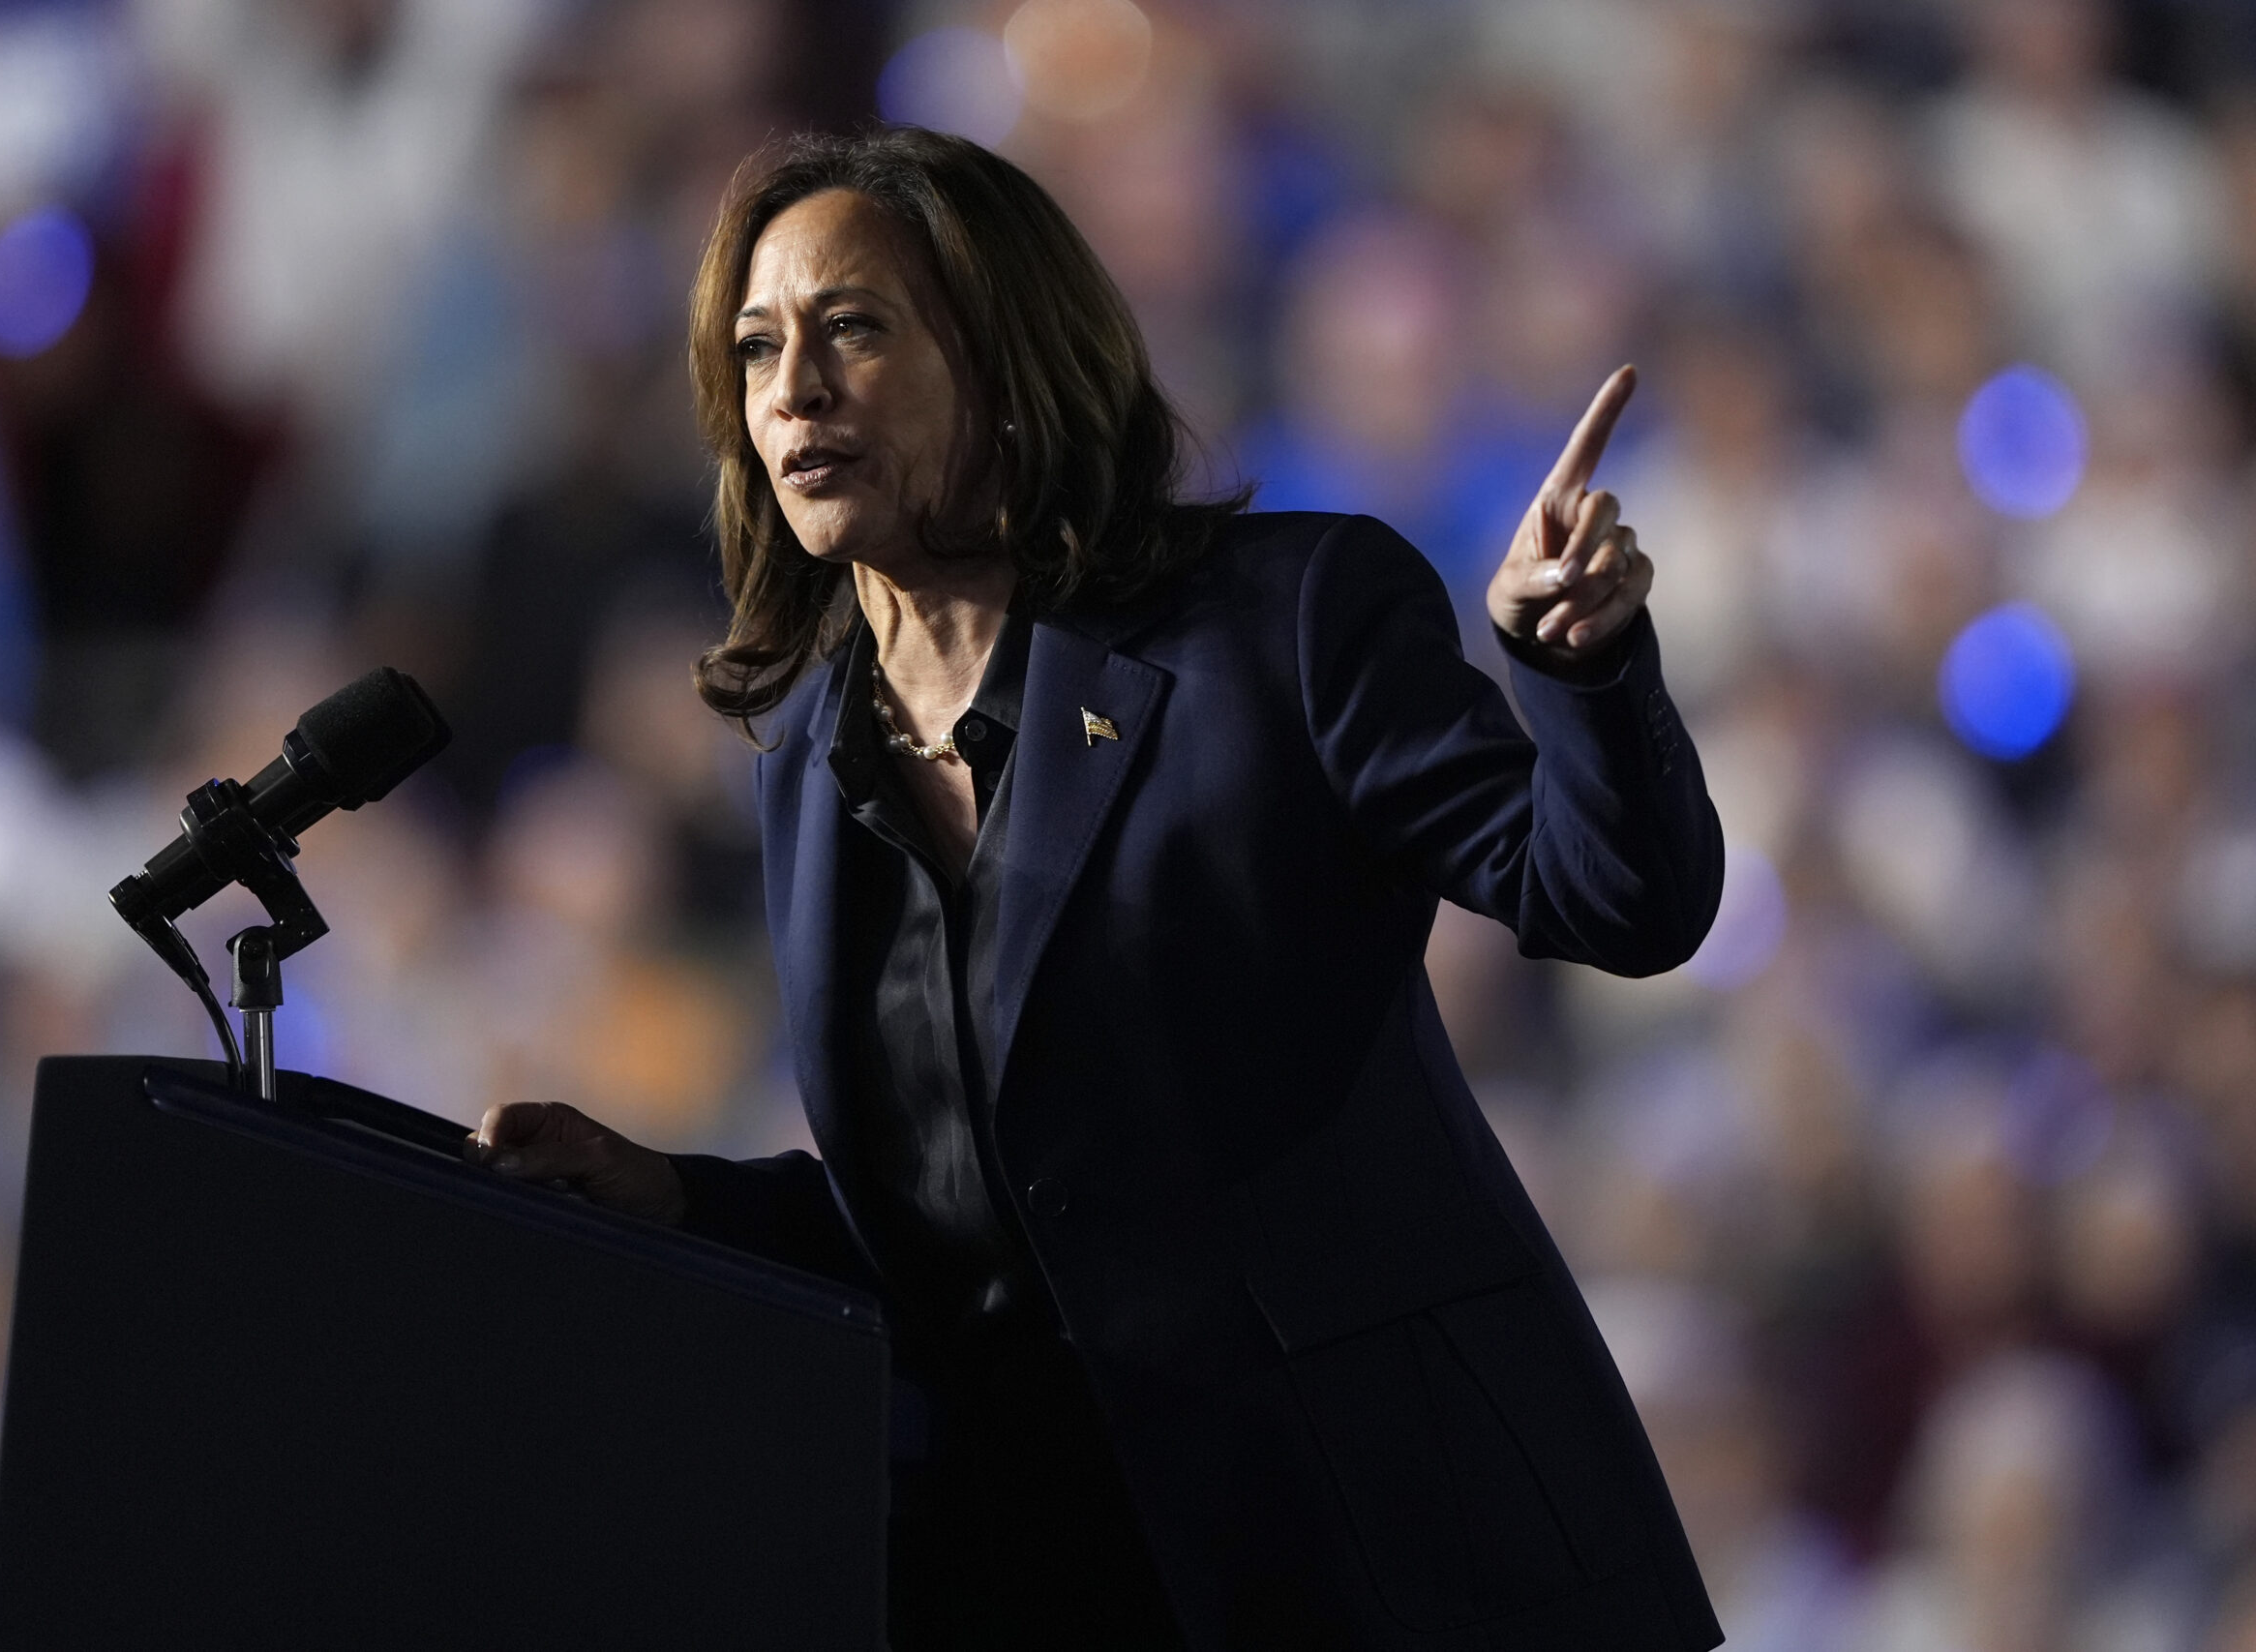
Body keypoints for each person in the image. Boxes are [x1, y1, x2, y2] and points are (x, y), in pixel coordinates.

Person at [468, 126, 1726, 1652]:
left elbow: (1621, 904)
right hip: (1056, 1582)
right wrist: (681, 1196)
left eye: (853, 327)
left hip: (1404, 1556)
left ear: (1007, 362)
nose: (791, 387)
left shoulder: (1286, 623)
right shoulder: (810, 750)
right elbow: (962, 1220)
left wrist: (1574, 667)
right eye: (756, 347)